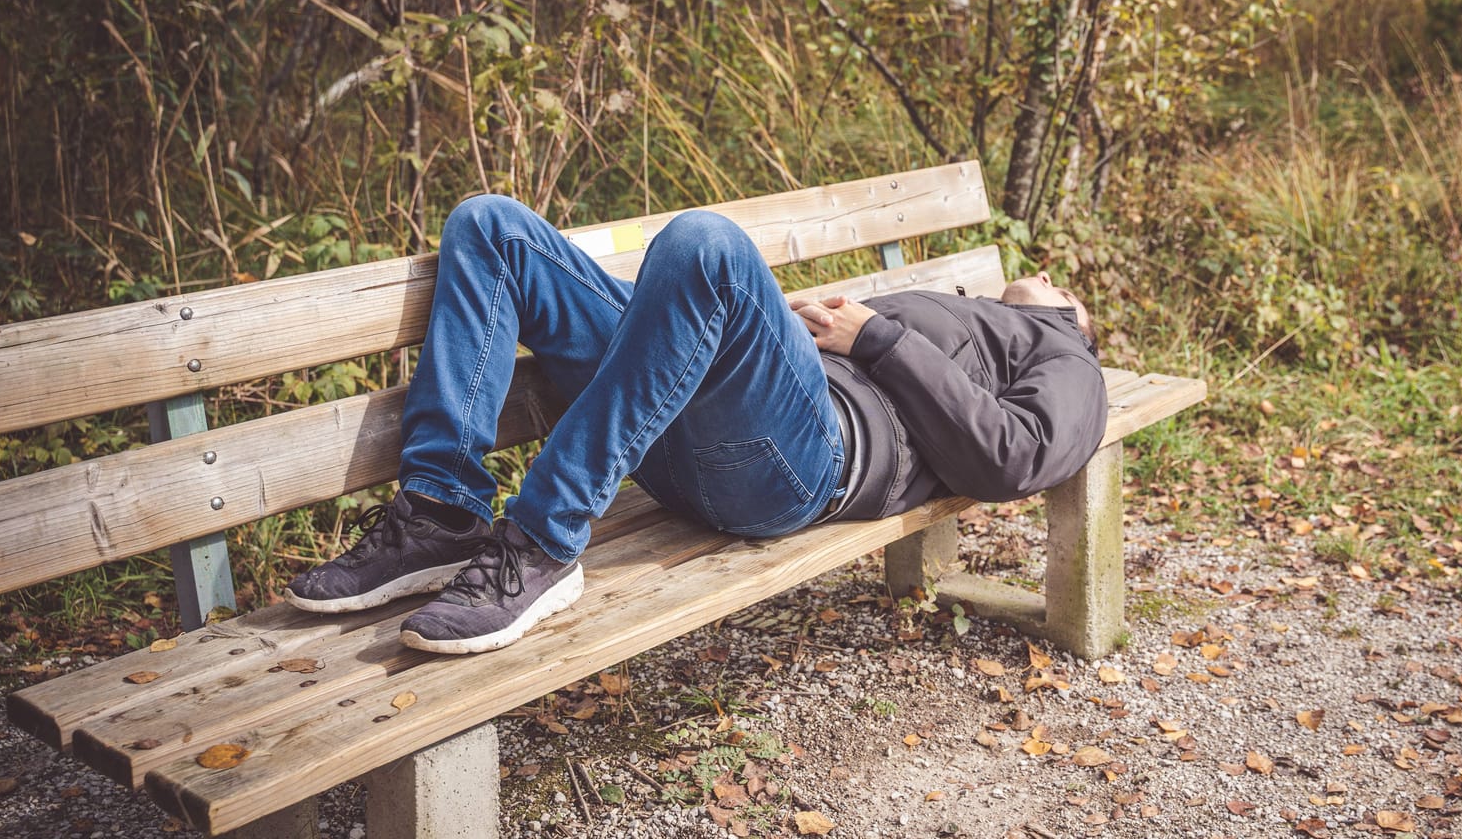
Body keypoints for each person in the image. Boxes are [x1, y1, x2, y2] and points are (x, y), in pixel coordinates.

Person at [285, 195, 1108, 654]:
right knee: (490, 228)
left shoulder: (1066, 358)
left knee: (704, 241)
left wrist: (878, 337)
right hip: (712, 422)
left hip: (802, 463)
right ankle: (441, 511)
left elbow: (1014, 458)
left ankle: (540, 543)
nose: (1036, 270)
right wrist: (775, 322)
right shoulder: (972, 319)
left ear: (1074, 314)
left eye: (1052, 278)